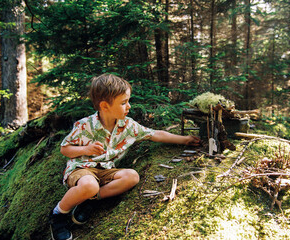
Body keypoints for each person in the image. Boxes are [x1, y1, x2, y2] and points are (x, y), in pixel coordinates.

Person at [49, 74, 200, 240]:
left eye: (128, 101)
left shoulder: (128, 126)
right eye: (123, 103)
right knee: (89, 185)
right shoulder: (85, 125)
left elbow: (155, 134)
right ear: (105, 106)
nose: (128, 106)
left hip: (106, 171)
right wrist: (86, 148)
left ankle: (90, 200)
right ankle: (58, 215)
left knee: (132, 177)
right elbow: (65, 149)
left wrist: (184, 139)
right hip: (82, 169)